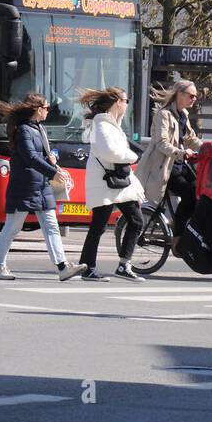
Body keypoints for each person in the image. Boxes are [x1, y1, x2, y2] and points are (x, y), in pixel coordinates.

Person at [0, 93, 88, 281]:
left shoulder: (38, 128)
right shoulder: (24, 130)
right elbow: (30, 158)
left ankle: (62, 266)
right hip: (24, 186)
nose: (49, 111)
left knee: (51, 226)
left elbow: (39, 155)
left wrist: (52, 161)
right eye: (47, 108)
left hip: (40, 186)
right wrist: (53, 172)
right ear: (37, 109)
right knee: (13, 227)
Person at [79, 87, 148, 281]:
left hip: (116, 183)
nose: (127, 104)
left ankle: (123, 265)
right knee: (99, 226)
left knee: (135, 221)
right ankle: (88, 268)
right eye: (126, 100)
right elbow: (109, 152)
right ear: (118, 102)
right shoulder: (101, 125)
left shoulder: (111, 125)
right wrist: (133, 156)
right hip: (105, 182)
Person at [136, 80, 202, 247]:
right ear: (179, 94)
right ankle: (178, 235)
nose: (194, 99)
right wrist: (181, 152)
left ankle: (179, 223)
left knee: (200, 191)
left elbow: (190, 138)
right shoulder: (163, 115)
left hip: (179, 165)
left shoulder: (183, 114)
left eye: (196, 96)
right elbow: (161, 143)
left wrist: (209, 148)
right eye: (191, 95)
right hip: (165, 167)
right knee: (190, 193)